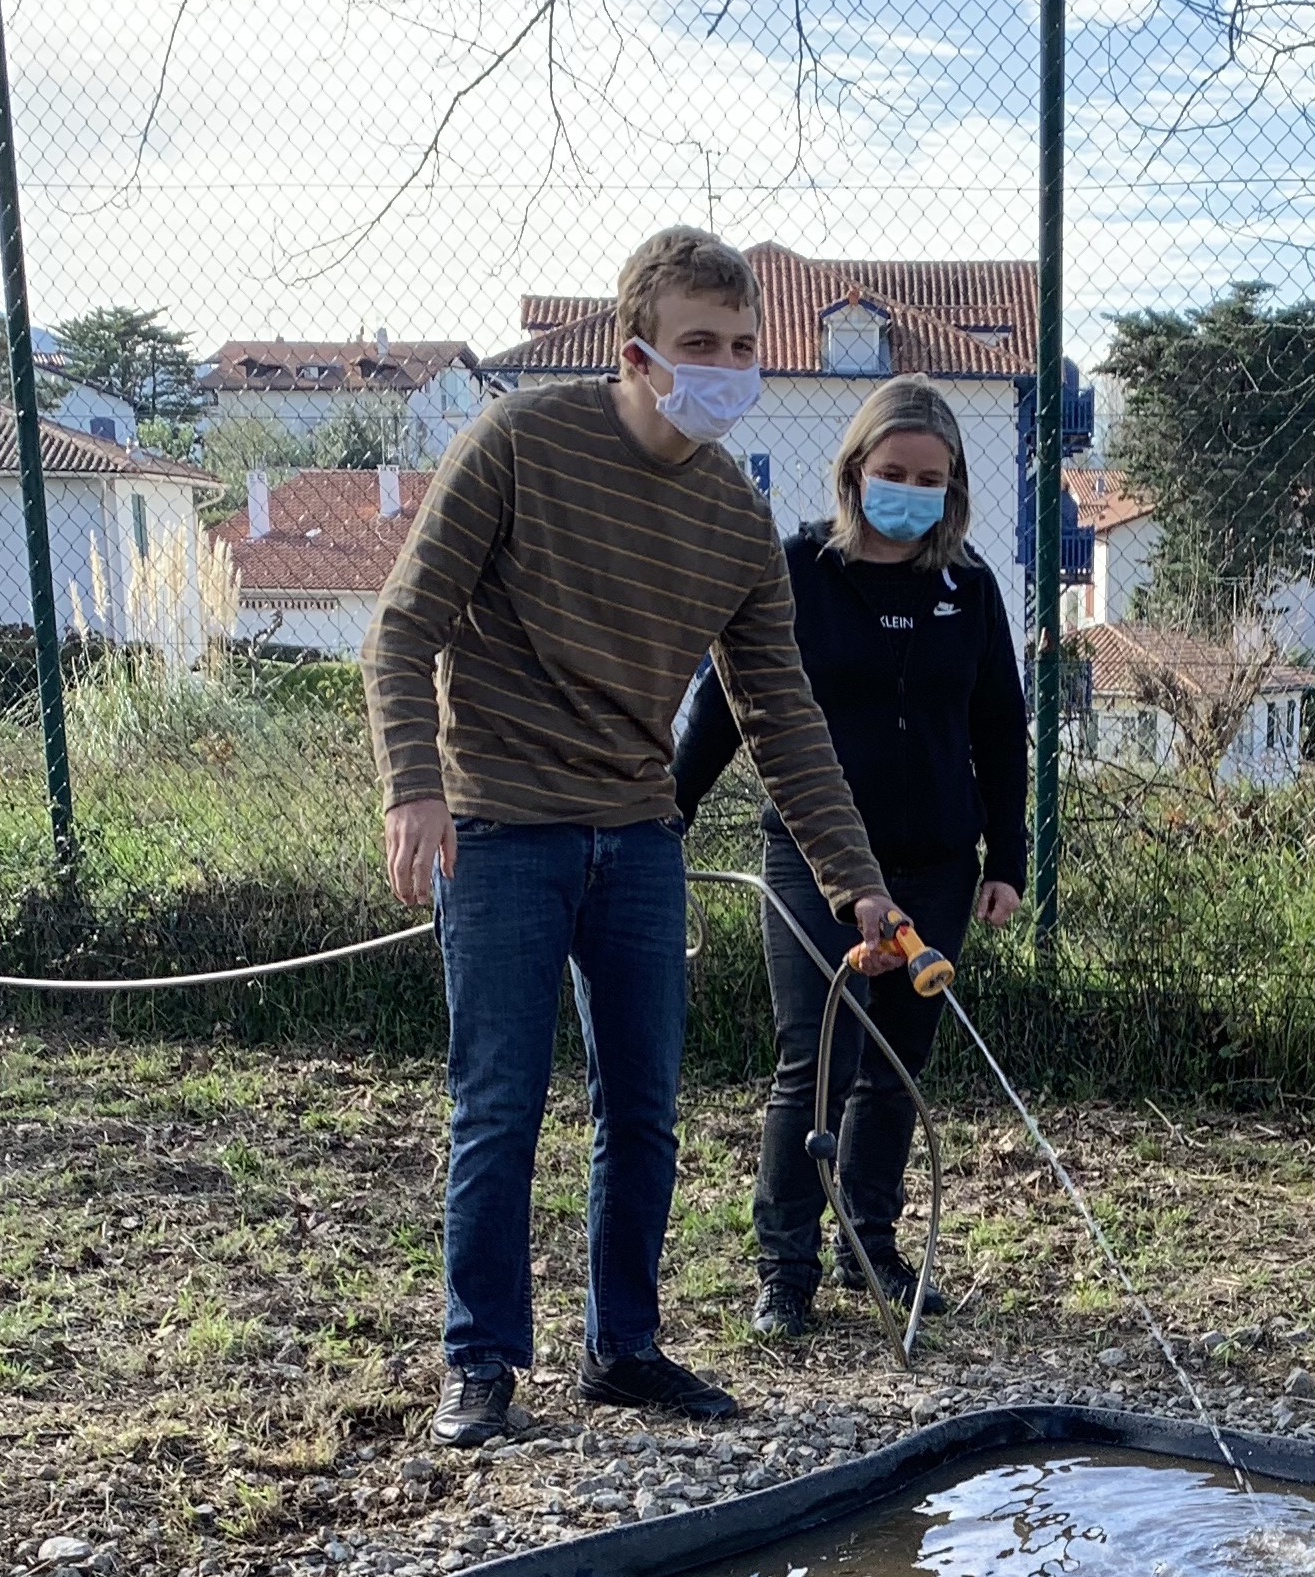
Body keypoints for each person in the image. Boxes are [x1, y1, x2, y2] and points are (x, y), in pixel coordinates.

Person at [363, 226, 897, 1444]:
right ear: (637, 351)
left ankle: (624, 1348)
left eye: (743, 345)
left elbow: (782, 714)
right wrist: (413, 787)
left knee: (643, 1107)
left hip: (638, 835)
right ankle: (482, 1359)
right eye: (699, 345)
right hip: (497, 826)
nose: (724, 366)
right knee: (499, 1102)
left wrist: (856, 883)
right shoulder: (518, 443)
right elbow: (402, 628)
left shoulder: (734, 520)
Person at [673, 375, 1026, 1339]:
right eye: (891, 471)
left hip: (941, 862)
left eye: (930, 477)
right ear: (855, 472)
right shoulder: (795, 571)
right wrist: (665, 818)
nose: (908, 489)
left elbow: (1000, 728)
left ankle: (869, 1242)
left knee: (899, 1064)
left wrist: (1008, 856)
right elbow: (723, 704)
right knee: (815, 1061)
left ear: (951, 488)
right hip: (814, 860)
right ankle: (783, 1267)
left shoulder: (972, 588)